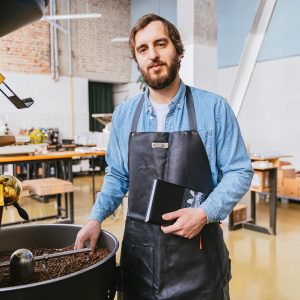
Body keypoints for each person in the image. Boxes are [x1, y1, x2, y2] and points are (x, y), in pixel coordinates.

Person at [75, 14, 253, 300]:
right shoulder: (124, 115)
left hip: (199, 257)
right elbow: (118, 176)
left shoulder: (214, 109)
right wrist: (95, 218)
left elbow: (239, 171)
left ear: (178, 51)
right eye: (143, 49)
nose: (153, 55)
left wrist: (204, 212)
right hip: (140, 261)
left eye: (161, 44)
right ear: (137, 60)